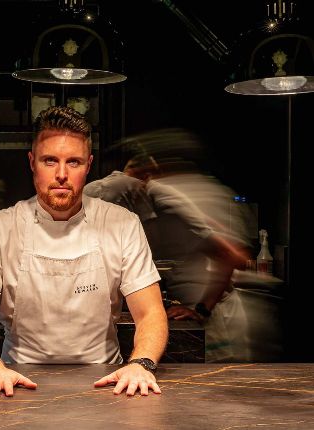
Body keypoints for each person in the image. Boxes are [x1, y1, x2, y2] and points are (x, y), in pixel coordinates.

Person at [0, 106, 168, 398]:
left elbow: (150, 313)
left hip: (107, 384)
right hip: (15, 383)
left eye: (73, 162)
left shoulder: (122, 224)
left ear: (88, 165)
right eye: (50, 161)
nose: (62, 175)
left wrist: (140, 364)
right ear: (32, 162)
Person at [85, 135, 251, 362]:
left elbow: (233, 255)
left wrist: (201, 309)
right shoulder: (120, 193)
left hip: (212, 318)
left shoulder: (166, 205)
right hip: (189, 313)